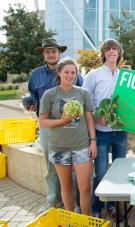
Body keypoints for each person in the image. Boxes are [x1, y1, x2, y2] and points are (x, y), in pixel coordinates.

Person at [27, 38, 84, 212]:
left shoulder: (71, 71)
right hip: (47, 127)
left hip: (70, 126)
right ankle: (53, 202)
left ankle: (72, 204)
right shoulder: (36, 74)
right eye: (47, 51)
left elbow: (82, 92)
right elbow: (32, 93)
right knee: (51, 166)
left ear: (59, 53)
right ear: (44, 54)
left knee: (71, 167)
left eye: (54, 51)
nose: (51, 54)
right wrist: (29, 101)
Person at [39, 57, 96, 215]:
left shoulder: (83, 93)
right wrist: (62, 120)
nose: (70, 75)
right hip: (59, 147)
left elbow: (89, 119)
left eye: (73, 72)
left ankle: (85, 220)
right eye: (66, 72)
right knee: (66, 186)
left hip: (81, 147)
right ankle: (70, 219)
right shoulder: (49, 95)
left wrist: (93, 141)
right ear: (59, 73)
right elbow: (42, 122)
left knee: (84, 187)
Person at [82, 39, 127, 218]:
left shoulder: (124, 75)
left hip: (120, 131)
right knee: (100, 172)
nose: (111, 52)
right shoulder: (93, 75)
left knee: (119, 170)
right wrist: (96, 117)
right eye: (108, 49)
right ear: (103, 53)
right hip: (100, 132)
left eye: (115, 48)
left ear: (119, 53)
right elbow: (85, 101)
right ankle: (97, 207)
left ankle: (113, 206)